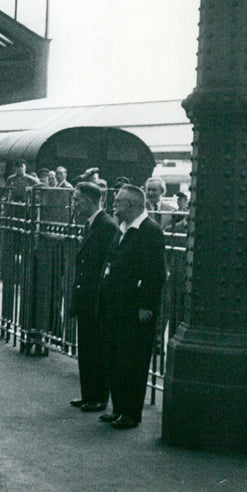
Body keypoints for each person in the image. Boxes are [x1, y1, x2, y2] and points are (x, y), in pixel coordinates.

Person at [98, 184, 166, 430]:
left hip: (134, 310)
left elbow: (155, 273)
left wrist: (146, 305)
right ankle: (119, 409)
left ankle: (130, 412)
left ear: (132, 205)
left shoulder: (150, 231)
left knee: (132, 361)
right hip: (116, 307)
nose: (114, 205)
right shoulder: (124, 229)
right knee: (115, 358)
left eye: (118, 201)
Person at [69, 182, 120, 413]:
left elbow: (105, 265)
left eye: (77, 199)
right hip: (87, 298)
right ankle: (88, 393)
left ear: (89, 201)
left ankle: (98, 396)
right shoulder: (93, 225)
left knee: (96, 349)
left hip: (96, 299)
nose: (74, 204)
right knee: (87, 347)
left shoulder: (106, 227)